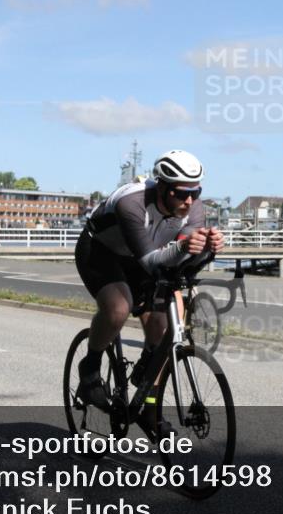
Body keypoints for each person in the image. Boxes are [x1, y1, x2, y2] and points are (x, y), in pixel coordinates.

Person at [74, 150, 224, 434]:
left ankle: (148, 407)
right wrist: (182, 247)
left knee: (167, 325)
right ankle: (90, 369)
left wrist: (207, 251)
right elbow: (151, 262)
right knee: (118, 307)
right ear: (163, 187)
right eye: (181, 194)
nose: (189, 201)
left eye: (196, 192)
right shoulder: (132, 203)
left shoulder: (194, 209)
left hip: (147, 257)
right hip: (102, 253)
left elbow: (183, 267)